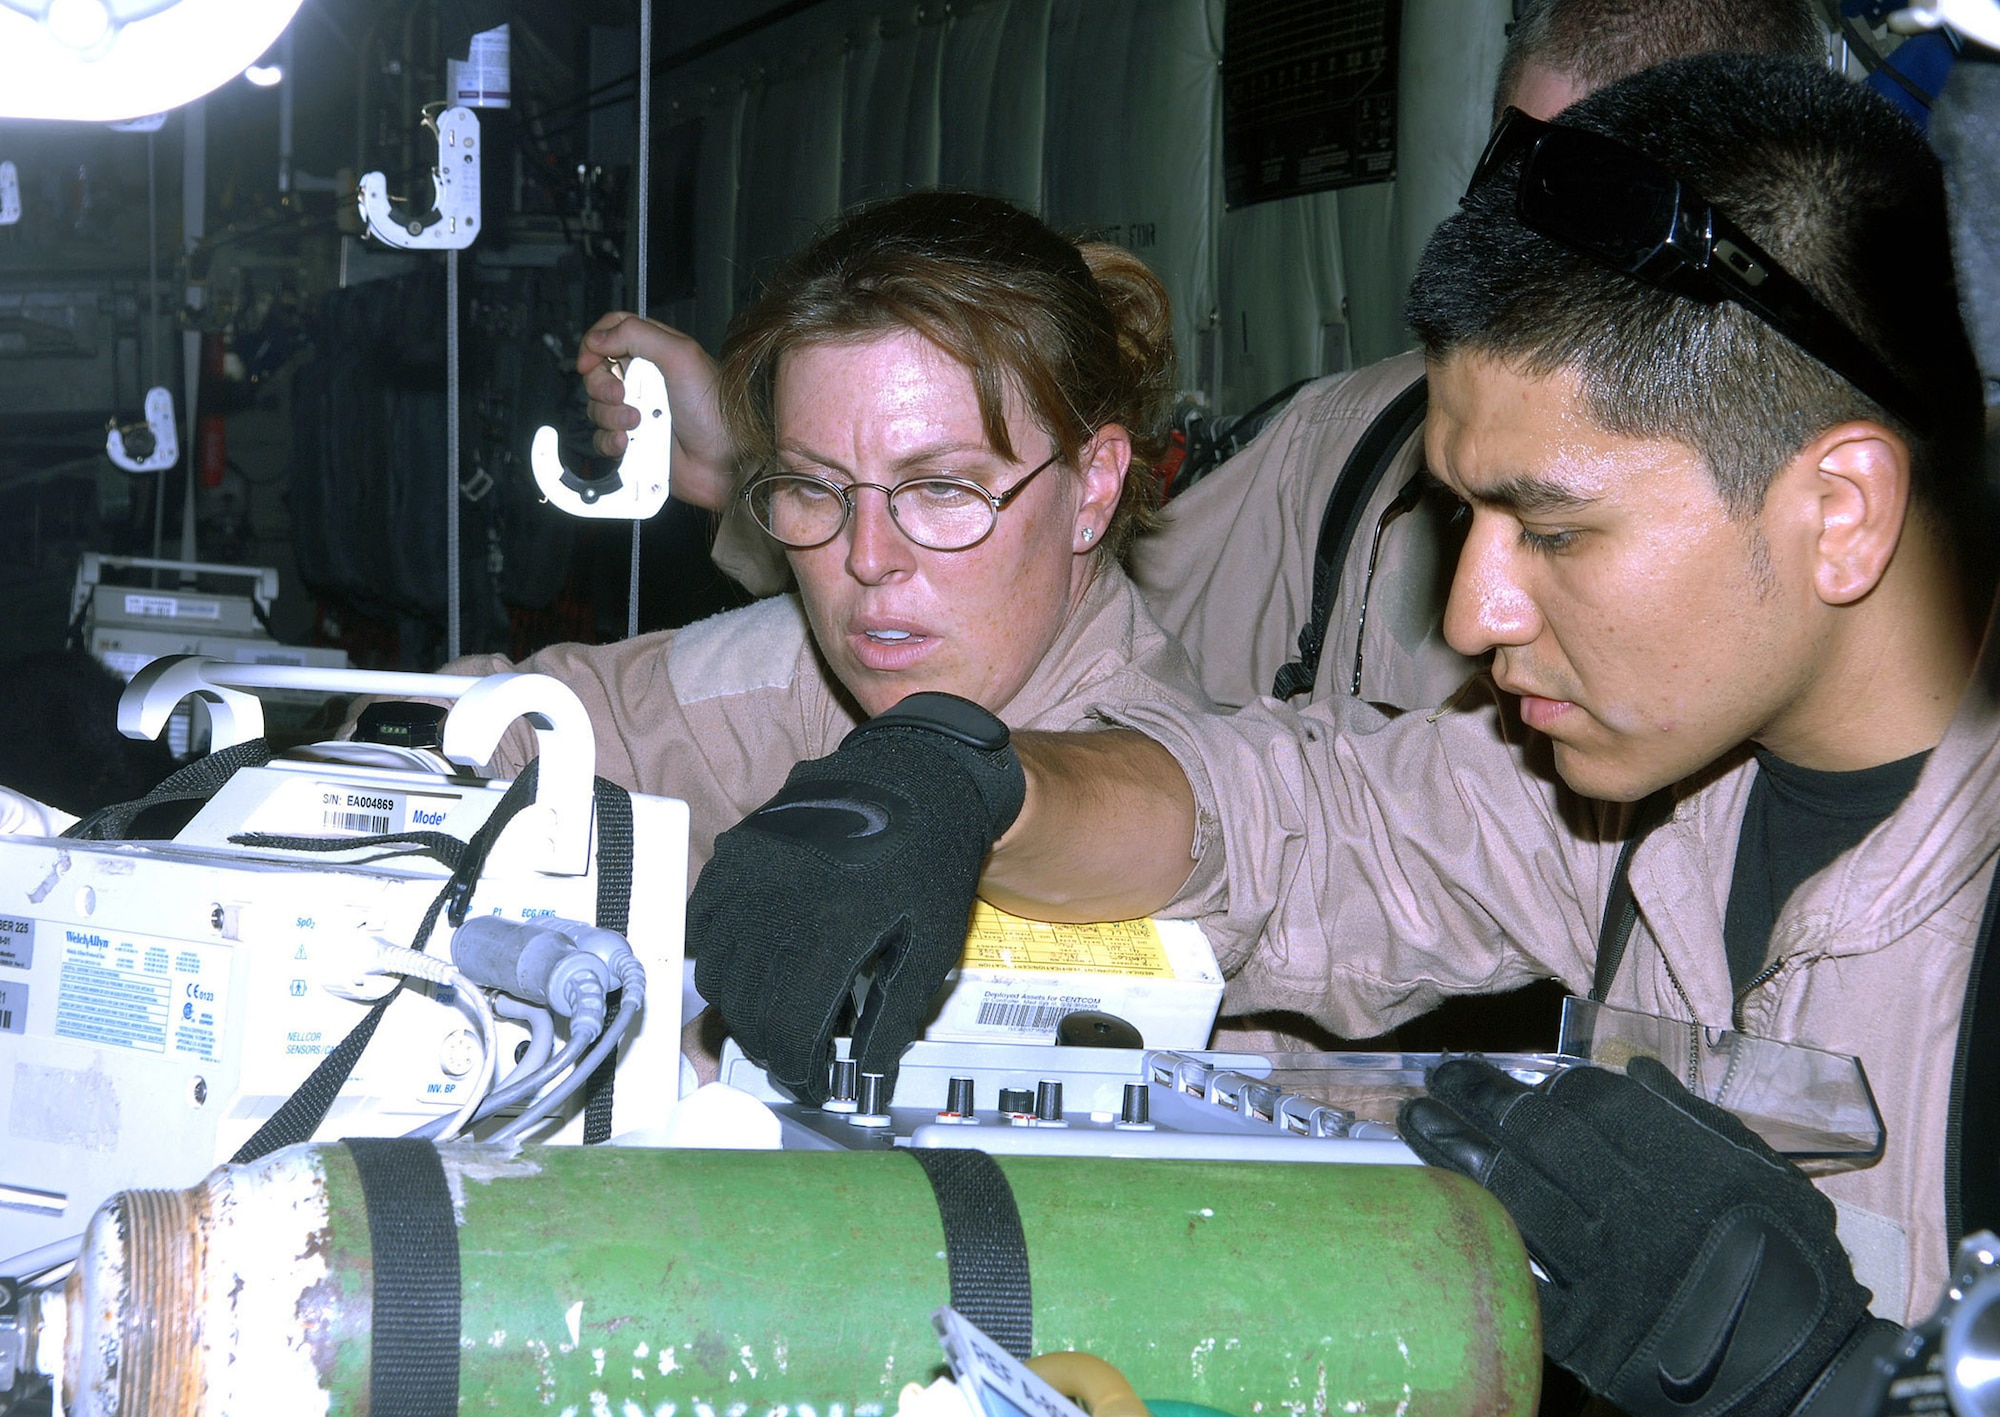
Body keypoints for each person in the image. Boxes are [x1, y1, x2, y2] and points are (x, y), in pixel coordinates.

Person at [685, 53, 2000, 1416]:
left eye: (1549, 529)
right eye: (1464, 517)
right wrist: (969, 780)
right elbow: (1300, 819)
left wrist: (1837, 1381)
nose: (1478, 609)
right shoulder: (1634, 792)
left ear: (1838, 512)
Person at [586, 0, 1828, 718]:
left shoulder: (1866, 568)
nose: (1545, 257)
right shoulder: (1349, 447)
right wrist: (744, 474)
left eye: (1624, 212)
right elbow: (1038, 593)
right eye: (1525, 179)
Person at [444, 189, 1208, 891]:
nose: (867, 559)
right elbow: (499, 725)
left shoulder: (1162, 812)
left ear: (1096, 485)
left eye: (943, 488)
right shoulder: (826, 670)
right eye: (815, 487)